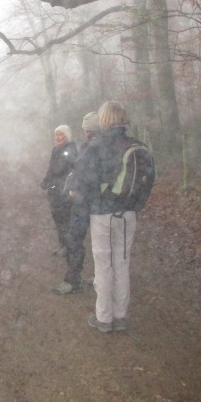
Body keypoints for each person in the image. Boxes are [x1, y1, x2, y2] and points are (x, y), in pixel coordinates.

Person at [71, 101, 153, 333]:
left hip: (102, 214)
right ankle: (120, 316)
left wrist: (83, 205)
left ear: (104, 120)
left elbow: (82, 181)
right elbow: (150, 178)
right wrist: (136, 205)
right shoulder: (138, 145)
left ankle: (104, 318)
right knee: (122, 263)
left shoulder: (96, 146)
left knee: (103, 265)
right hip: (128, 215)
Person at [52, 112, 101, 295]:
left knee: (74, 239)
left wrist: (73, 191)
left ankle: (73, 280)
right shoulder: (107, 146)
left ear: (86, 130)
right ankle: (99, 277)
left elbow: (82, 173)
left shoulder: (91, 147)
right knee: (103, 244)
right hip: (103, 204)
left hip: (84, 203)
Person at [41, 124, 77, 258]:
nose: (58, 137)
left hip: (65, 190)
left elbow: (71, 169)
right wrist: (45, 181)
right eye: (56, 135)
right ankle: (62, 245)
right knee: (57, 218)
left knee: (65, 219)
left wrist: (70, 187)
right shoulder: (55, 150)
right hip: (54, 190)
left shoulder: (71, 149)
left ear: (67, 136)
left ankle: (69, 247)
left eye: (61, 135)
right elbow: (51, 169)